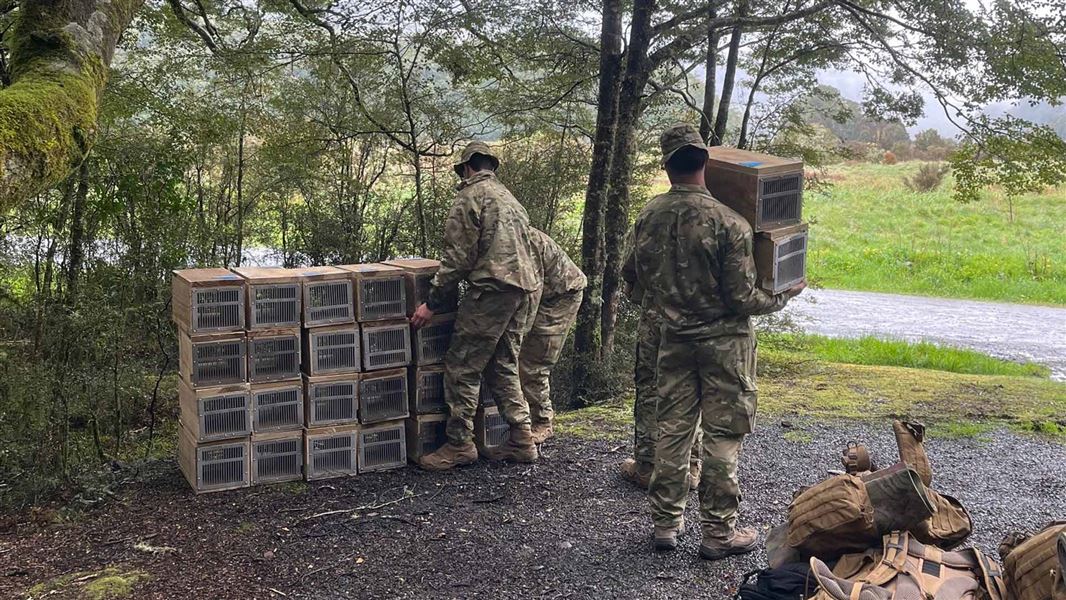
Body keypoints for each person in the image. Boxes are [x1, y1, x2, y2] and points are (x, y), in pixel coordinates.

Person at [622, 123, 805, 559]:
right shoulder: (730, 222)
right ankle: (718, 535)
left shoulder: (649, 216)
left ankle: (666, 525)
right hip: (725, 344)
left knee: (673, 430)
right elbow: (743, 298)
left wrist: (667, 300)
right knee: (722, 435)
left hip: (673, 340)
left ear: (667, 166)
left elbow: (632, 279)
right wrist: (783, 294)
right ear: (705, 161)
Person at [412, 141, 543, 470]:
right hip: (526, 291)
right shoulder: (510, 198)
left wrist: (431, 302)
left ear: (467, 167)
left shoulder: (470, 197)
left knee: (462, 365)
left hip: (493, 291)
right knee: (502, 363)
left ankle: (459, 444)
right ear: (490, 165)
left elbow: (458, 258)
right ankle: (522, 439)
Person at [619, 279, 702, 491]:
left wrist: (635, 289)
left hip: (661, 309)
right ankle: (690, 467)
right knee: (694, 386)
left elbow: (636, 268)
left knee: (651, 385)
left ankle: (647, 466)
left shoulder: (655, 242)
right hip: (704, 314)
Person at [518, 228, 587, 444]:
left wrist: (519, 333)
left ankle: (542, 421)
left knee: (533, 362)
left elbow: (532, 293)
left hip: (562, 296)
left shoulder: (522, 242)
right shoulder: (503, 236)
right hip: (546, 295)